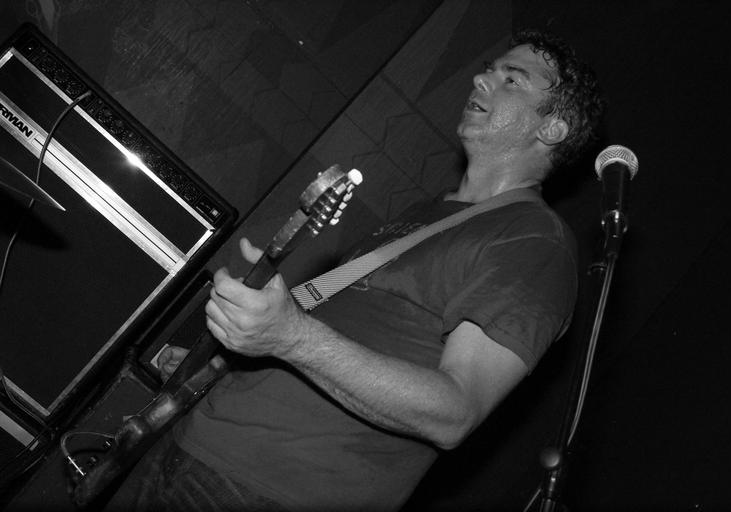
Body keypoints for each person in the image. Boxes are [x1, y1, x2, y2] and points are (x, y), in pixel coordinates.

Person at [110, 28, 604, 511]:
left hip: (275, 489)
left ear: (552, 128)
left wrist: (290, 336)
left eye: (511, 79)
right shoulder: (426, 211)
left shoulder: (534, 240)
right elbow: (326, 338)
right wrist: (227, 359)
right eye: (488, 70)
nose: (481, 79)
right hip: (192, 441)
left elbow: (456, 412)